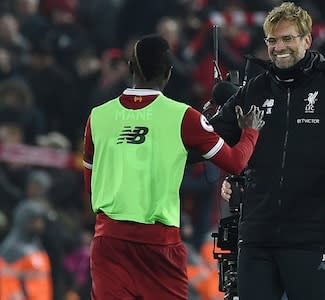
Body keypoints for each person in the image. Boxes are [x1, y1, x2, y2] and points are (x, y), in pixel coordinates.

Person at [215, 3, 325, 299]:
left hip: (314, 238)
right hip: (257, 236)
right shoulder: (255, 89)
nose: (279, 47)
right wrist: (230, 166)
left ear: (307, 40)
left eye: (287, 39)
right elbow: (213, 134)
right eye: (272, 40)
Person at [82, 34, 265, 300]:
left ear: (131, 68)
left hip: (109, 242)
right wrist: (250, 132)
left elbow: (90, 187)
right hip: (159, 245)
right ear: (168, 73)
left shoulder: (97, 117)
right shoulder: (184, 117)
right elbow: (236, 163)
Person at [0, 201, 53, 300]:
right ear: (26, 220)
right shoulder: (12, 249)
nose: (41, 224)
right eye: (37, 220)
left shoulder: (38, 245)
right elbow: (8, 285)